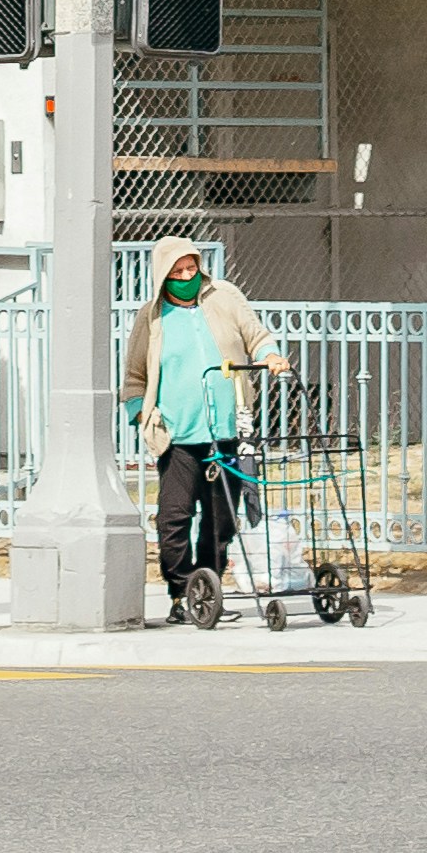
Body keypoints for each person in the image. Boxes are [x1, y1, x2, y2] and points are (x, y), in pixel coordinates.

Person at [120, 242, 289, 606]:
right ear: (162, 276)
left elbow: (256, 336)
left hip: (226, 431)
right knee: (175, 516)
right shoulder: (151, 317)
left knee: (221, 519)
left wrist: (270, 356)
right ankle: (182, 591)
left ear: (200, 268)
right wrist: (141, 413)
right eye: (176, 272)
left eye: (190, 270)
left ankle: (208, 591)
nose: (184, 278)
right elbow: (134, 376)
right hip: (178, 434)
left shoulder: (224, 297)